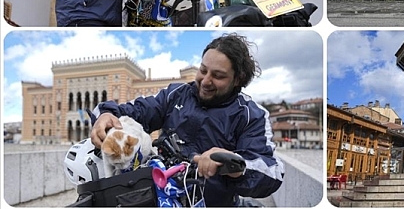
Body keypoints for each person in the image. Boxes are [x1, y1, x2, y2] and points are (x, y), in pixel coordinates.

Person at [90, 33, 284, 206]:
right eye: (203, 70)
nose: (206, 81)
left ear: (238, 79)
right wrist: (106, 115)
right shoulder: (175, 94)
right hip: (162, 198)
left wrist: (232, 163)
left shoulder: (252, 115)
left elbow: (271, 173)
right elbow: (134, 110)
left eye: (218, 76)